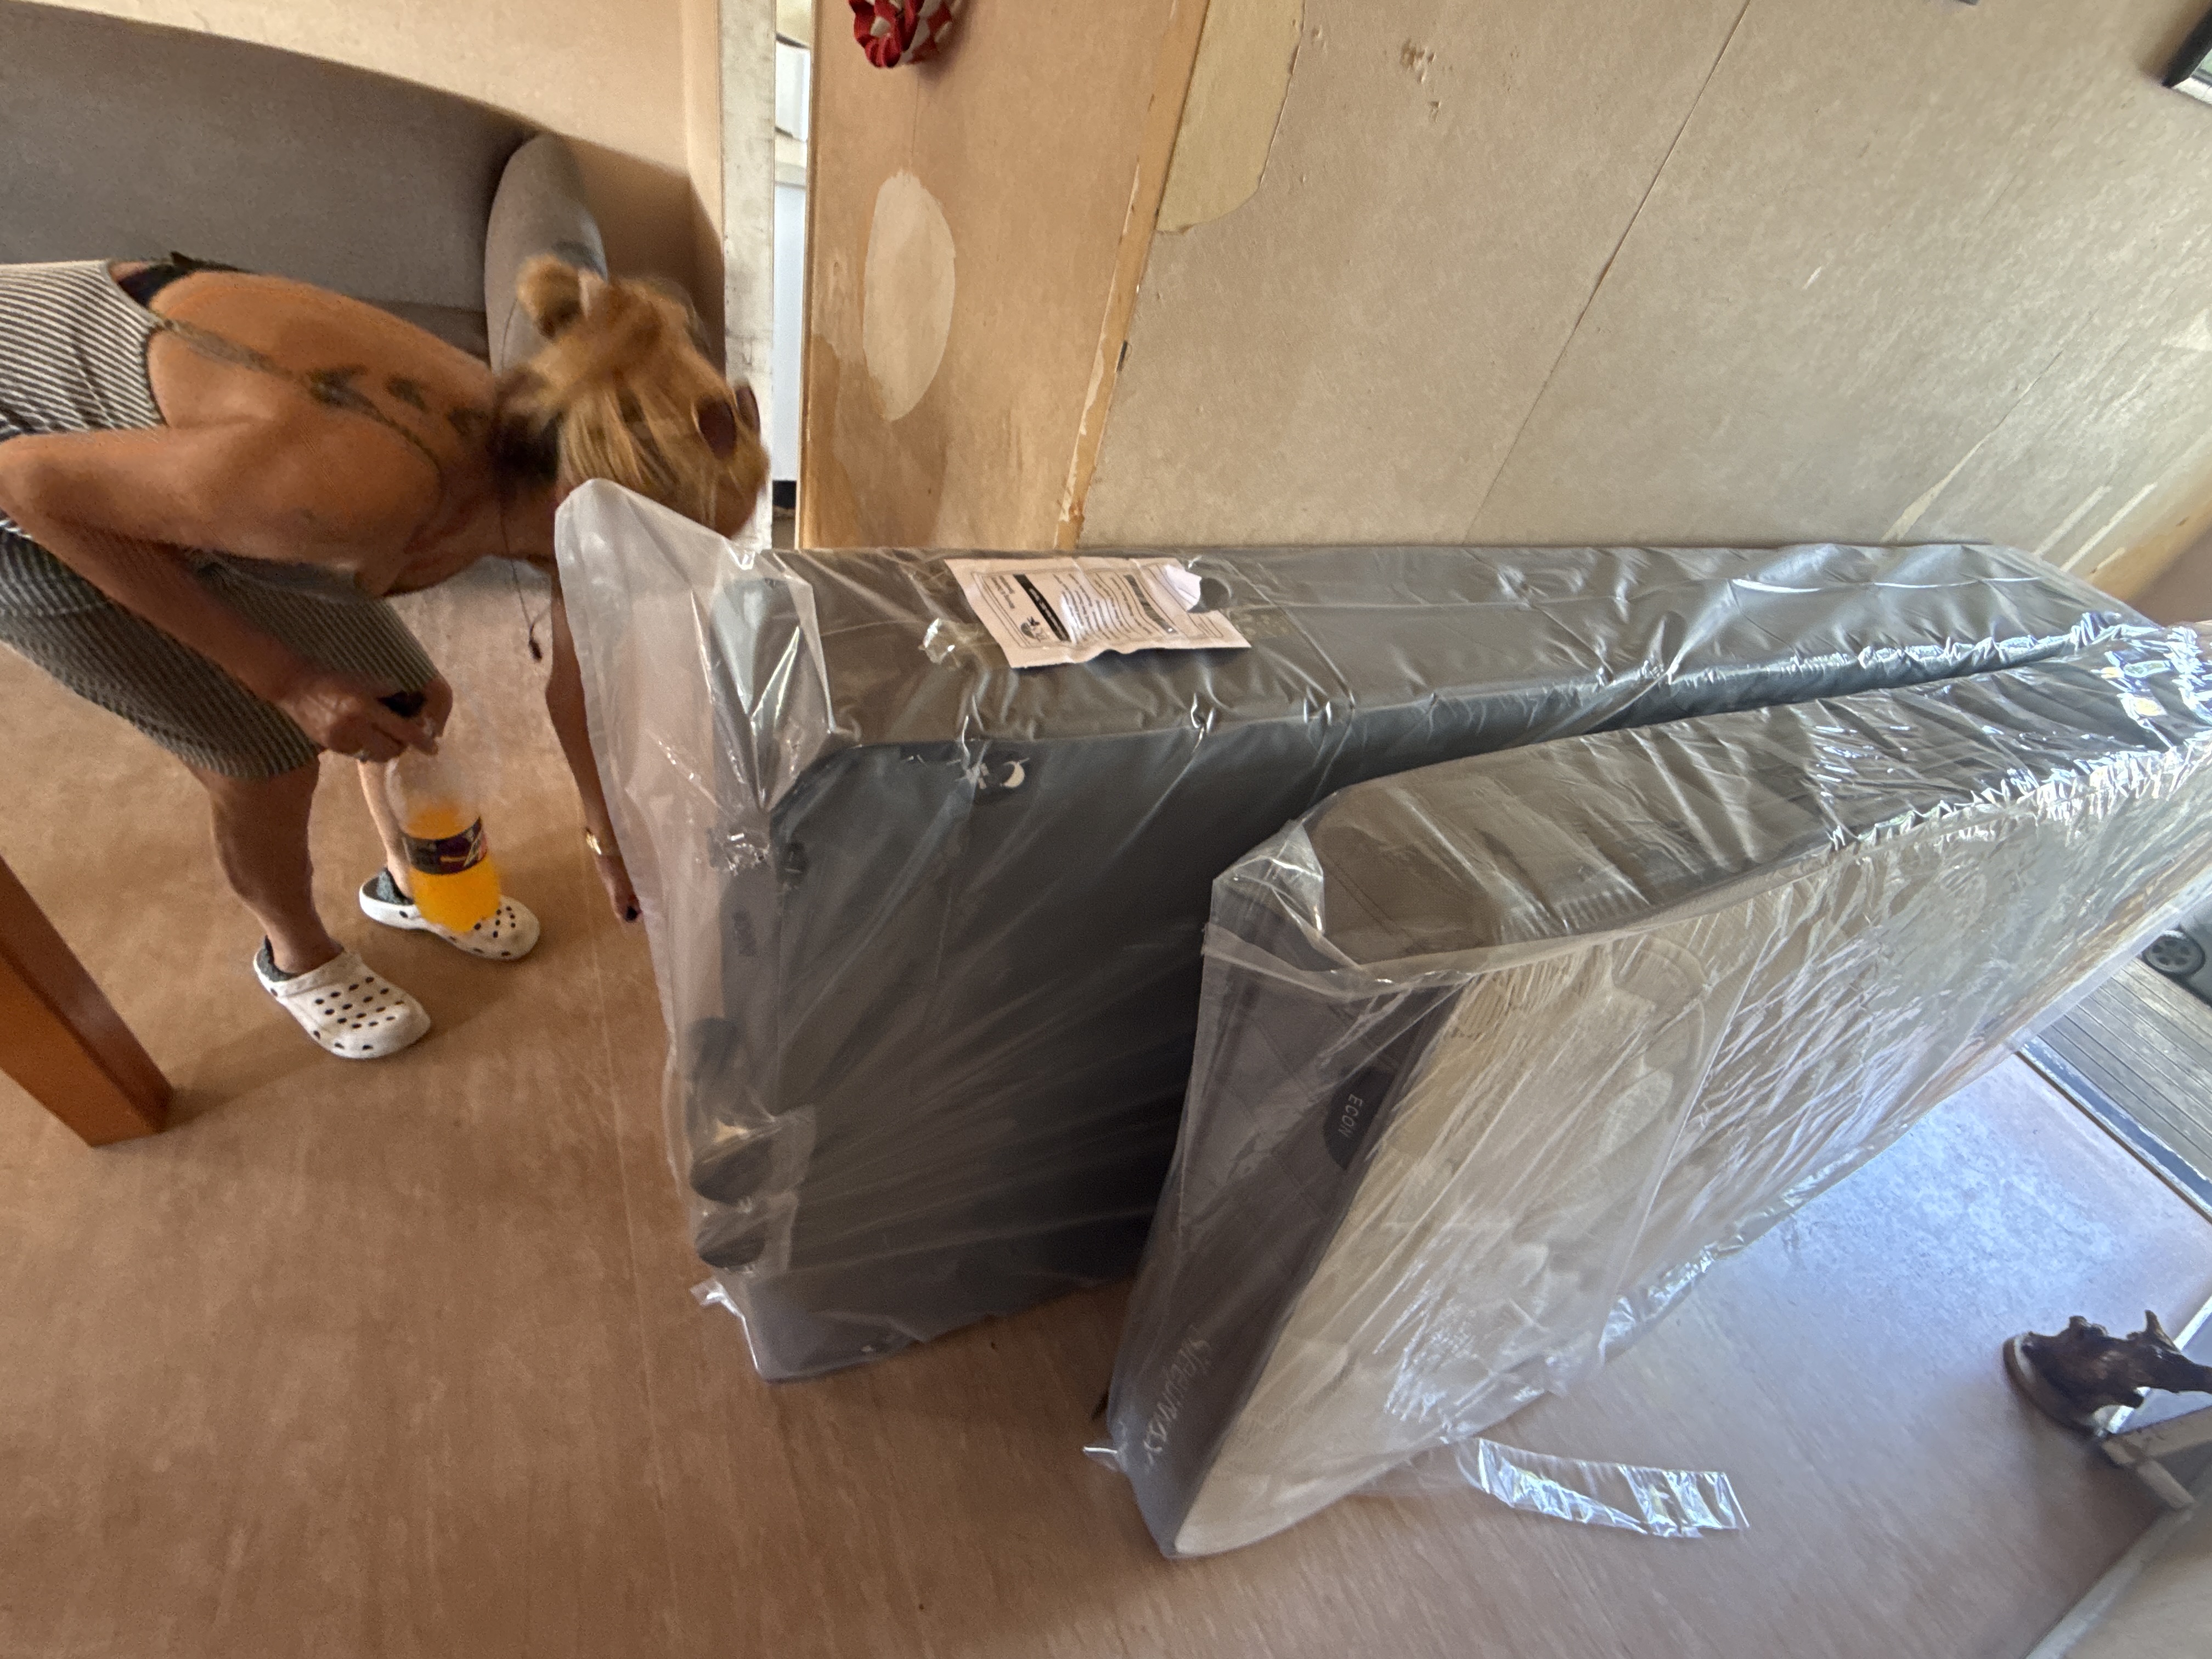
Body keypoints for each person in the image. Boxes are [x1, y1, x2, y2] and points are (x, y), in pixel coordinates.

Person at [0, 254, 768, 1058]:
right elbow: (27, 485)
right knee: (266, 761)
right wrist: (289, 681)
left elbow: (581, 686)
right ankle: (296, 955)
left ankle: (411, 880)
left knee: (410, 698)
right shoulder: (356, 490)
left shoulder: (554, 456)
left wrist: (609, 845)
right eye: (664, 558)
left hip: (194, 478)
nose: (659, 583)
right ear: (582, 507)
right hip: (33, 493)